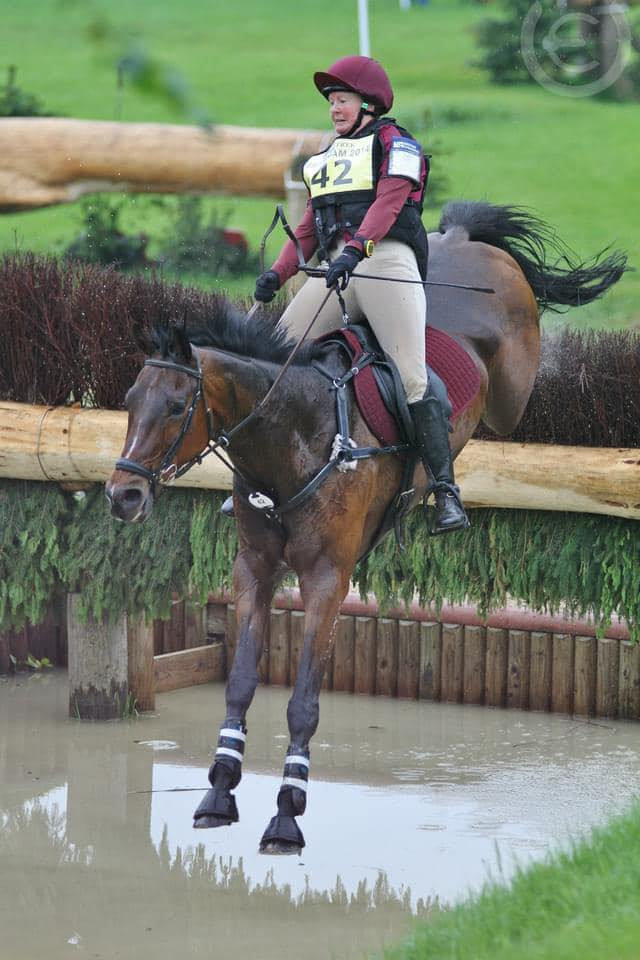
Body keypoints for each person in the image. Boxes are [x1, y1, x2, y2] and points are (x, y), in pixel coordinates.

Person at [251, 56, 469, 534]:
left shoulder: (397, 142)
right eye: (331, 101)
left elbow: (391, 200)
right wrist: (278, 272)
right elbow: (308, 226)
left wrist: (357, 248)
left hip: (386, 263)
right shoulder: (326, 157)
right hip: (335, 270)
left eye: (342, 100)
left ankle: (446, 492)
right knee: (274, 364)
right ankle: (263, 482)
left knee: (412, 375)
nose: (334, 109)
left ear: (369, 104)